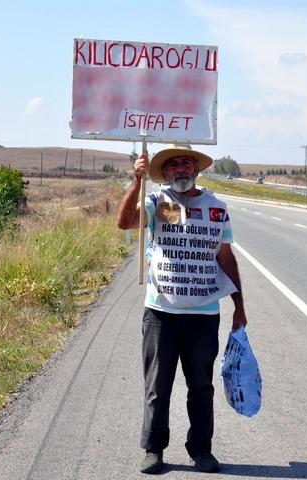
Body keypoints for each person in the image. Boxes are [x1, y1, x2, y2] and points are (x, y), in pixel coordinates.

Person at [116, 143, 247, 475]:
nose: (180, 169)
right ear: (165, 172)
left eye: (186, 163)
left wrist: (239, 306)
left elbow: (226, 257)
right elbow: (125, 222)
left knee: (201, 386)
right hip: (161, 312)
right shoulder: (157, 201)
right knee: (158, 386)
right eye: (173, 165)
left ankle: (201, 449)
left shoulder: (217, 208)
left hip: (204, 314)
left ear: (197, 169)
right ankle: (153, 449)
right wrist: (135, 180)